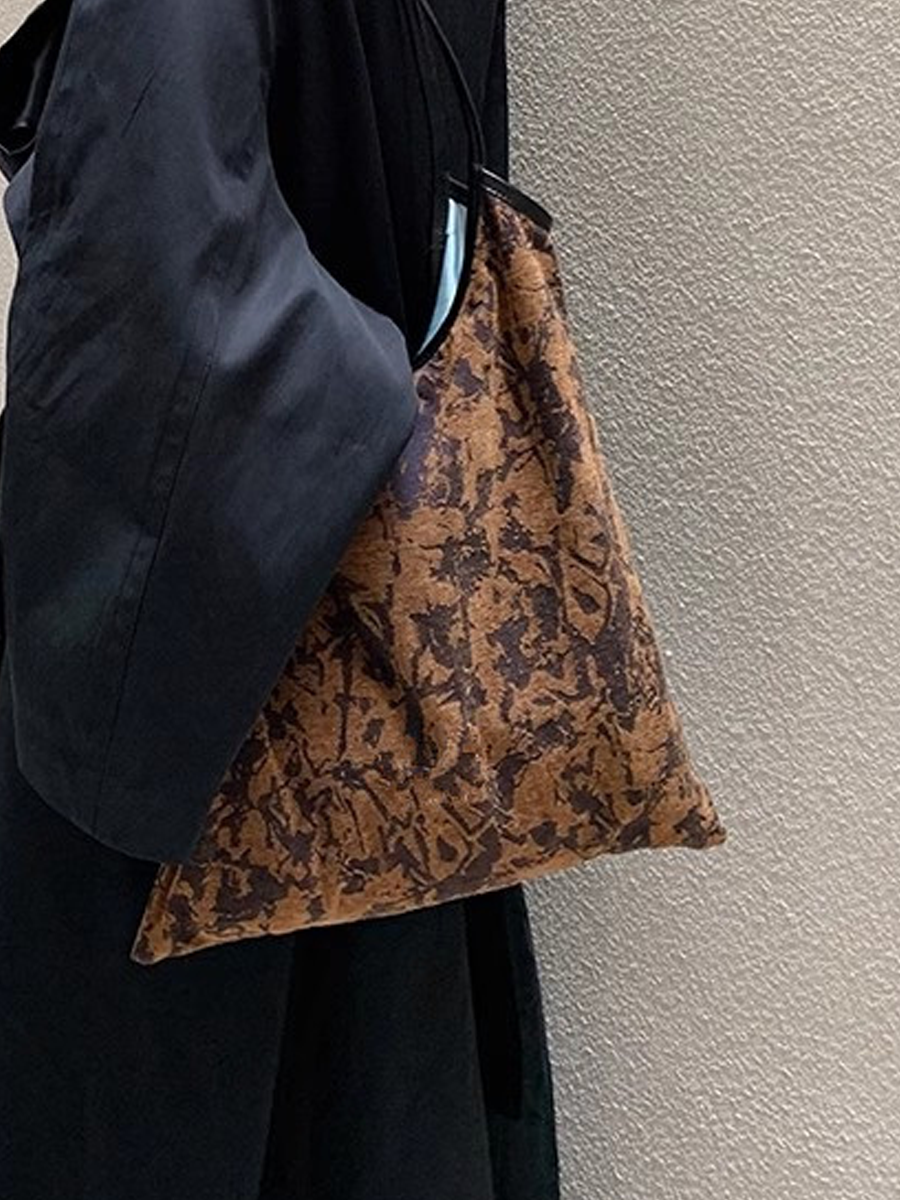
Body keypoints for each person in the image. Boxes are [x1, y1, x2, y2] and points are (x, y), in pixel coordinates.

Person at [0, 0, 562, 1197]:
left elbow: (155, 293)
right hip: (390, 673)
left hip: (203, 672)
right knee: (372, 1104)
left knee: (165, 1113)